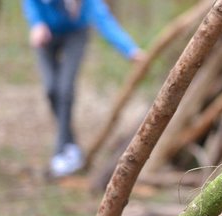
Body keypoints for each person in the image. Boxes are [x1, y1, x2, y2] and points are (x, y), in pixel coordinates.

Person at [23, 0, 144, 177]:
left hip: (75, 34)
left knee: (65, 89)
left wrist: (130, 50)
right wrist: (36, 23)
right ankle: (70, 145)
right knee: (51, 89)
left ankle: (61, 151)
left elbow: (105, 21)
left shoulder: (89, 3)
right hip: (46, 35)